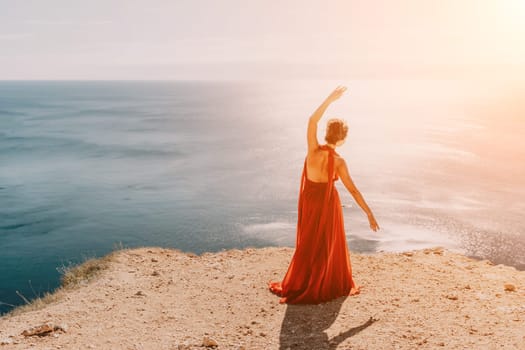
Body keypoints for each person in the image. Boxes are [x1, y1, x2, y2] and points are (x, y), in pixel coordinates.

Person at [268, 86, 380, 304]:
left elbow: (312, 121)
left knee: (308, 241)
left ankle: (303, 280)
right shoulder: (339, 161)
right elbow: (353, 189)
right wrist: (369, 214)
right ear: (342, 139)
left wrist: (329, 100)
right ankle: (323, 281)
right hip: (328, 204)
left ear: (328, 134)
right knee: (326, 244)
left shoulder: (313, 150)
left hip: (309, 200)